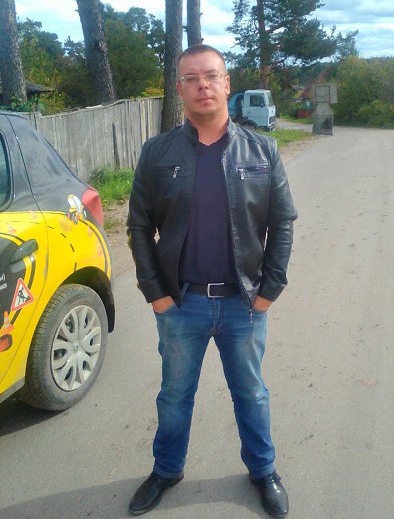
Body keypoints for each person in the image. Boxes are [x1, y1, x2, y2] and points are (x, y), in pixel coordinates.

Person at [127, 44, 297, 517]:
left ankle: (263, 471)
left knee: (252, 394)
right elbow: (138, 226)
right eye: (191, 78)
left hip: (244, 303)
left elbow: (282, 222)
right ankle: (166, 470)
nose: (202, 85)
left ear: (226, 84)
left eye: (210, 76)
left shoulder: (262, 149)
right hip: (181, 304)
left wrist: (269, 291)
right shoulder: (157, 152)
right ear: (180, 89)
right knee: (174, 397)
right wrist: (156, 295)